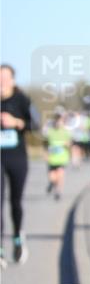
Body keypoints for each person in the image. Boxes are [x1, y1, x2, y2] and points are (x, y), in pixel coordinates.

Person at [1, 64, 39, 266]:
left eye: (5, 78)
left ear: (12, 80)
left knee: (15, 202)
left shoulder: (22, 99)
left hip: (17, 158)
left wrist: (16, 122)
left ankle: (17, 237)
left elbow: (36, 124)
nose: (2, 82)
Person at [44, 111, 73, 202]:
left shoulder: (66, 132)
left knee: (60, 174)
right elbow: (45, 144)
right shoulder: (50, 132)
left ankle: (58, 191)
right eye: (57, 121)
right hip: (52, 157)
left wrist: (67, 144)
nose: (58, 123)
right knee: (52, 177)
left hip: (62, 156)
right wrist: (46, 155)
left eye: (60, 121)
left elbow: (70, 143)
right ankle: (52, 184)